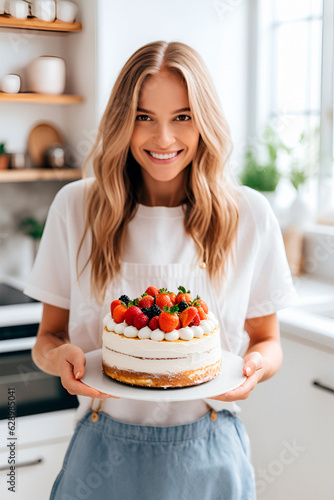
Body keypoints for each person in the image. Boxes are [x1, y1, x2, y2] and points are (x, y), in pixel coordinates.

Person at [25, 41, 296, 500]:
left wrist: (255, 368)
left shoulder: (247, 213)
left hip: (211, 454)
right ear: (121, 122)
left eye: (183, 117)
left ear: (204, 121)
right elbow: (46, 339)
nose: (164, 138)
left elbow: (268, 342)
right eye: (144, 116)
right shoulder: (76, 207)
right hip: (101, 449)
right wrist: (58, 359)